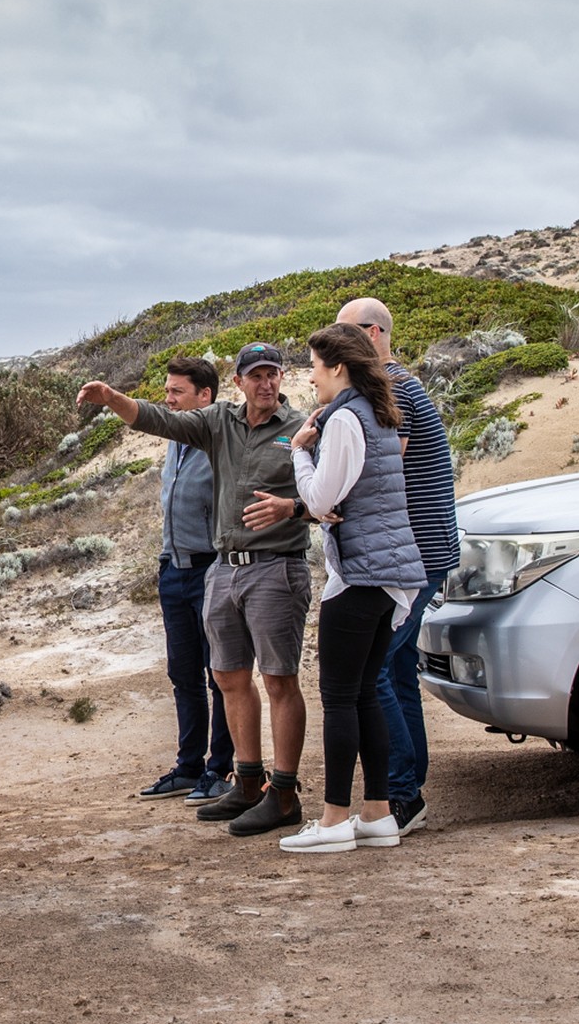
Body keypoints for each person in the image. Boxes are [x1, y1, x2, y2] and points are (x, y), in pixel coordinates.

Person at [77, 342, 312, 838]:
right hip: (224, 569)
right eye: (256, 376)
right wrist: (112, 397)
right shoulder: (218, 422)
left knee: (278, 681)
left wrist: (292, 509)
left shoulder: (302, 430)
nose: (266, 383)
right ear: (239, 382)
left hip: (276, 568)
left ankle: (284, 794)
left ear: (281, 378)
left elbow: (334, 495)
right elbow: (160, 421)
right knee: (228, 677)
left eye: (273, 374)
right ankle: (246, 783)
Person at [268, 323, 428, 853]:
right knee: (363, 695)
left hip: (360, 576)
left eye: (313, 366)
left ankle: (334, 821)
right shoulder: (378, 412)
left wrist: (298, 451)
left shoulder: (343, 421)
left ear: (336, 367)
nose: (309, 377)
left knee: (339, 696)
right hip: (392, 576)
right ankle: (378, 814)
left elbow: (318, 500)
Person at [336, 297, 459, 832]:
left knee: (378, 671)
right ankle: (410, 788)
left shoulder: (395, 389)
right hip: (421, 553)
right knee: (398, 672)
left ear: (369, 334)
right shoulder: (397, 385)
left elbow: (380, 468)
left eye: (341, 337)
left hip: (415, 557)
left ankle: (401, 794)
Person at [133, 357, 234, 803]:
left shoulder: (220, 441)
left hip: (211, 569)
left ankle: (222, 768)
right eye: (167, 390)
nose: (168, 399)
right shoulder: (174, 442)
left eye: (177, 392)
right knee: (183, 675)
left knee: (222, 677)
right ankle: (189, 767)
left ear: (205, 396)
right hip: (173, 572)